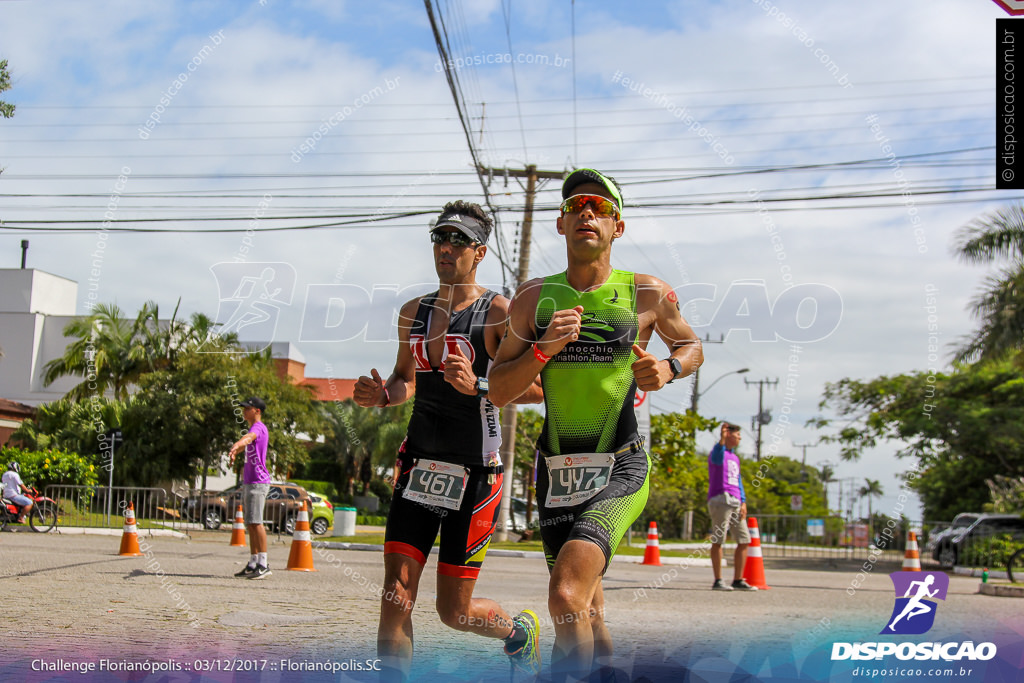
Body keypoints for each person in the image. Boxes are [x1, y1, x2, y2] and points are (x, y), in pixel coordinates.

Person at [488, 168, 703, 680]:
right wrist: (543, 350)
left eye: (601, 207)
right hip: (557, 474)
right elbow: (497, 389)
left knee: (565, 595)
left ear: (617, 228)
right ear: (560, 225)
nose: (587, 212)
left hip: (620, 468)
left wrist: (668, 368)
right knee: (586, 609)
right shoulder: (532, 299)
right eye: (576, 206)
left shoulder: (647, 293)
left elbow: (691, 345)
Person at [353, 200, 544, 682]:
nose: (446, 247)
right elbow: (404, 379)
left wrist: (479, 383)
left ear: (479, 252)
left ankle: (519, 633)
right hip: (418, 466)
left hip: (476, 473)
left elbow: (537, 388)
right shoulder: (411, 313)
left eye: (458, 240)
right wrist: (380, 397)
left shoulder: (499, 312)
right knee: (396, 594)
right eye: (440, 237)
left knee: (454, 613)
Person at [707, 422, 757, 591]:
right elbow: (717, 457)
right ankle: (718, 580)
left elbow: (739, 481)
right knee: (719, 540)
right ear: (728, 435)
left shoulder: (735, 457)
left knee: (744, 540)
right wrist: (721, 438)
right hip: (721, 500)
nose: (740, 438)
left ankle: (738, 579)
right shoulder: (717, 452)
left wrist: (743, 501)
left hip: (736, 502)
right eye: (737, 435)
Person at [228, 396, 271, 579]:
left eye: (248, 408)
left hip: (258, 482)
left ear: (257, 411)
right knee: (251, 523)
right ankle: (253, 562)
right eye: (244, 408)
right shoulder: (252, 428)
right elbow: (246, 442)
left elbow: (248, 438)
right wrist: (235, 451)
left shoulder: (258, 428)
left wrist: (238, 444)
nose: (244, 411)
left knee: (257, 523)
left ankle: (263, 563)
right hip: (250, 482)